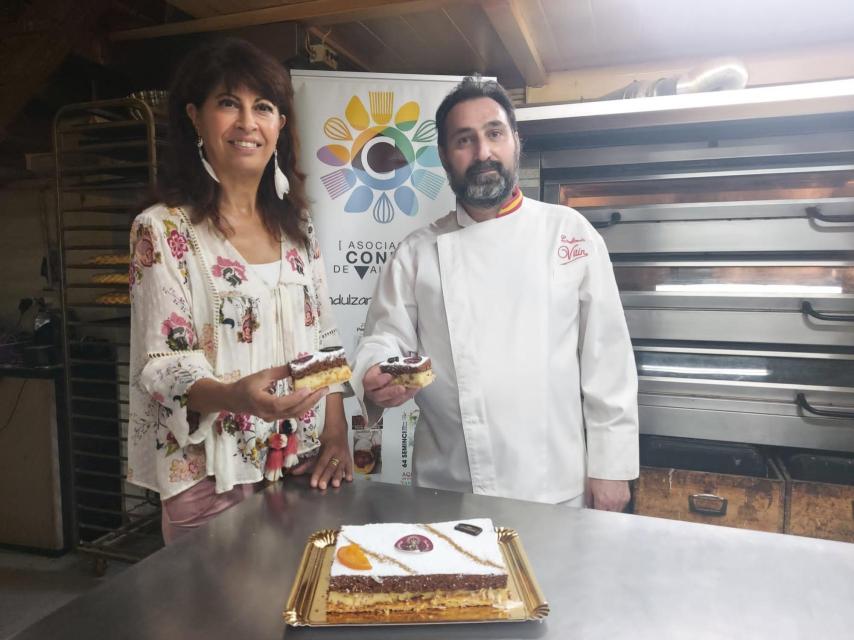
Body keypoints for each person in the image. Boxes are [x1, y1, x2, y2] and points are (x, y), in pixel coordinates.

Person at [351, 76, 638, 510]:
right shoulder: (415, 253)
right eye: (464, 140)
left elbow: (608, 359)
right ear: (445, 157)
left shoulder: (568, 232)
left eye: (494, 133)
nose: (483, 152)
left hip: (554, 486)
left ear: (515, 142)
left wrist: (612, 469)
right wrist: (374, 370)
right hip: (448, 487)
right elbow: (385, 338)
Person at [128, 38, 352, 544]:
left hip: (301, 458)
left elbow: (326, 336)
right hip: (209, 473)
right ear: (195, 118)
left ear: (279, 128)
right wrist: (234, 396)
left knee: (296, 606)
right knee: (219, 620)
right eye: (229, 103)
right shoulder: (162, 231)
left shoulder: (299, 228)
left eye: (264, 107)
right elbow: (163, 363)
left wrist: (336, 430)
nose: (248, 122)